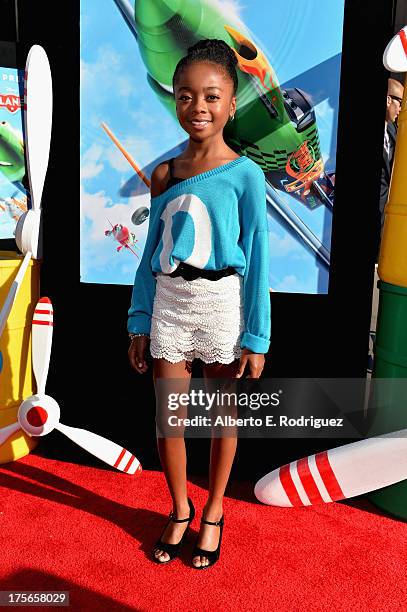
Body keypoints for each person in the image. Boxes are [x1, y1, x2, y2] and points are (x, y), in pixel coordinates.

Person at [127, 39, 270, 569]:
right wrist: (139, 321)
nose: (198, 108)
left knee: (221, 418)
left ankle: (213, 512)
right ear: (175, 101)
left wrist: (256, 337)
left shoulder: (246, 176)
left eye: (211, 96)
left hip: (221, 304)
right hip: (169, 302)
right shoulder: (163, 175)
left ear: (232, 103)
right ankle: (180, 508)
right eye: (186, 96)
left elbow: (257, 258)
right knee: (171, 420)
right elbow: (149, 257)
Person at [378, 77, 404, 256]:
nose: (401, 109)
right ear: (388, 100)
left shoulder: (395, 131)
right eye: (400, 102)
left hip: (387, 219)